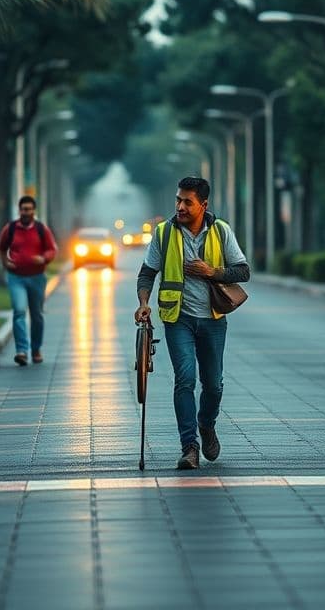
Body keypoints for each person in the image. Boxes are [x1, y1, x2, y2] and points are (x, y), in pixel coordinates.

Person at [134, 176, 250, 470]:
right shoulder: (163, 233)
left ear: (204, 205)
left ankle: (206, 424)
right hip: (178, 319)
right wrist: (144, 304)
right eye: (178, 200)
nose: (181, 206)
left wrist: (212, 271)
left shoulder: (221, 231)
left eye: (188, 202)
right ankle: (189, 447)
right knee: (184, 379)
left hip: (212, 320)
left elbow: (243, 271)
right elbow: (147, 273)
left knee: (213, 385)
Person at [0, 195, 57, 366]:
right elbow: (1, 248)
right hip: (16, 277)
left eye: (29, 209)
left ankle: (36, 349)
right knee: (19, 311)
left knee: (36, 314)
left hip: (37, 277)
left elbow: (52, 250)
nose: (26, 212)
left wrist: (44, 258)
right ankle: (22, 350)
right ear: (19, 210)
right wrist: (5, 262)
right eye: (23, 209)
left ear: (33, 211)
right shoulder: (11, 229)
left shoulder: (41, 229)